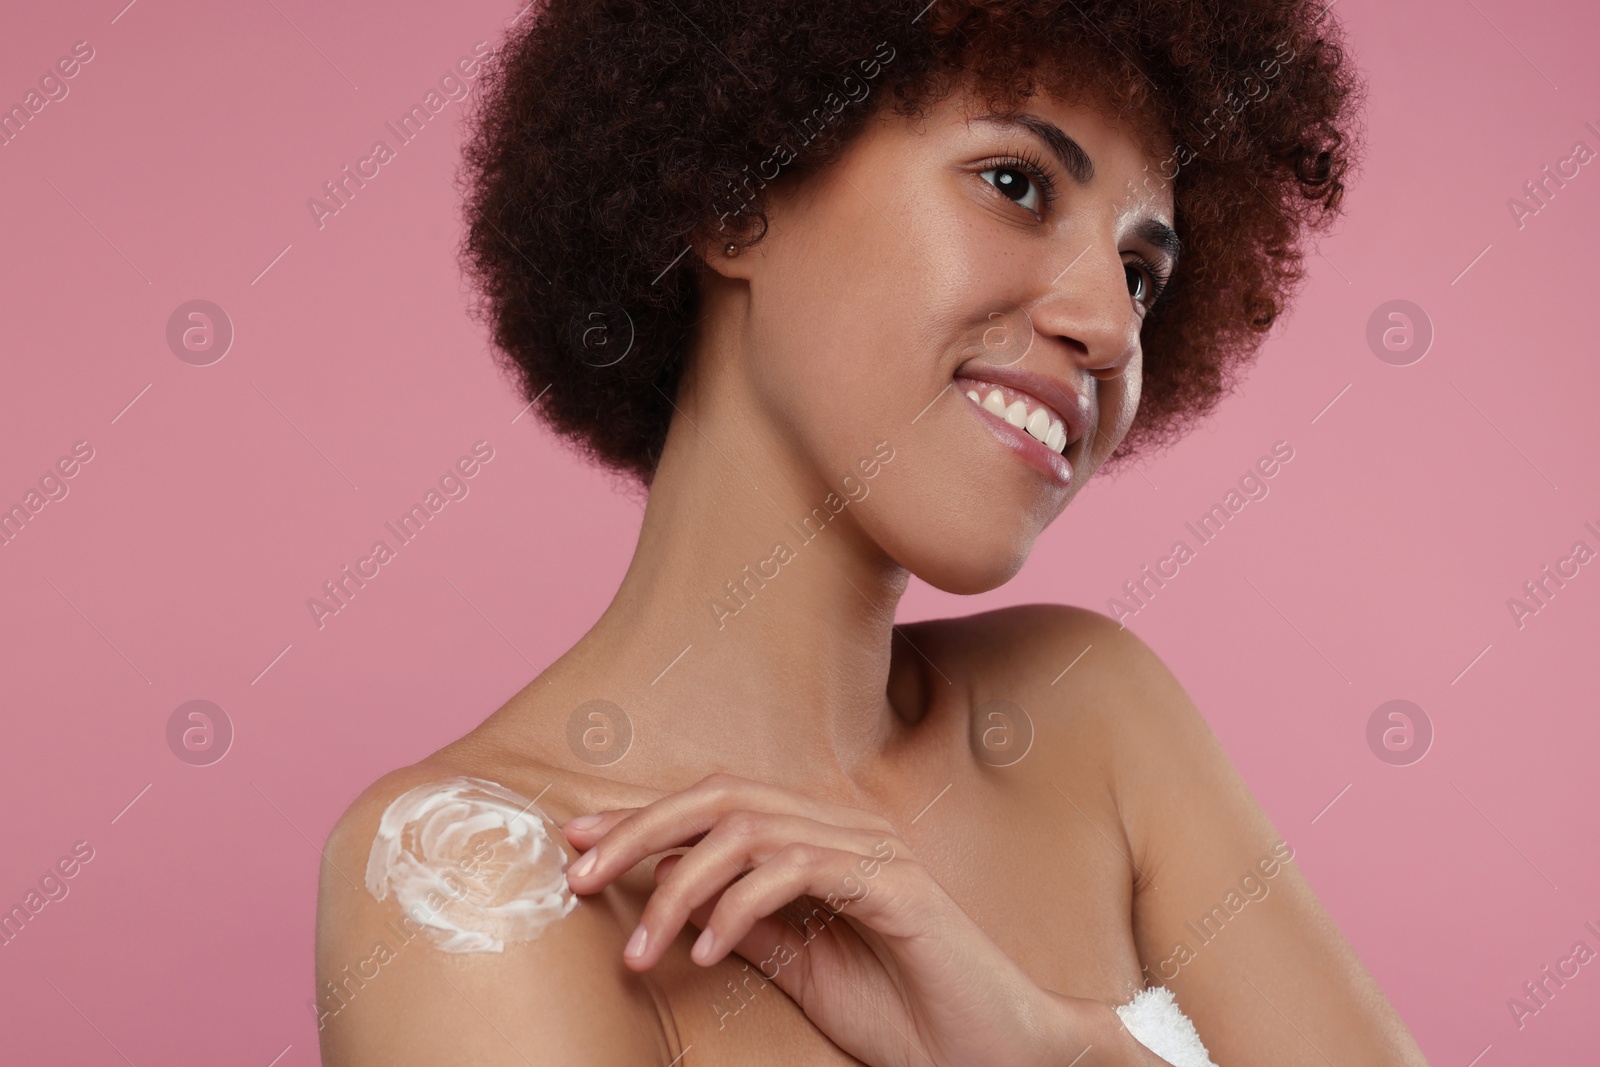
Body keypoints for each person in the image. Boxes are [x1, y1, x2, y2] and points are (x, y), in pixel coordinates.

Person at [315, 0, 1429, 1063]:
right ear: (735, 193)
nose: (1103, 326)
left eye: (1141, 276)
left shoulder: (1095, 721)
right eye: (1015, 183)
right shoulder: (479, 882)